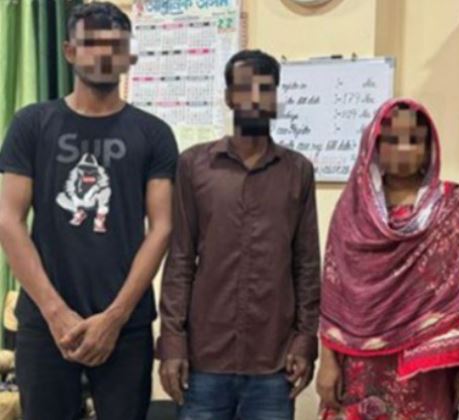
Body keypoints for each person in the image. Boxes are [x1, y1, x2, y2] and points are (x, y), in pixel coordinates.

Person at [0, 2, 178, 419]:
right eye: (92, 43)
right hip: (45, 322)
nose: (103, 54)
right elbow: (8, 220)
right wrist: (55, 312)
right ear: (69, 51)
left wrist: (115, 317)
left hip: (126, 325)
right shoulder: (31, 124)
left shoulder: (154, 133)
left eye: (115, 45)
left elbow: (162, 228)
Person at [157, 49, 321, 420]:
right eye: (245, 88)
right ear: (230, 97)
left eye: (266, 89)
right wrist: (172, 343)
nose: (255, 98)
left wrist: (305, 339)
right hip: (204, 358)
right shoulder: (195, 165)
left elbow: (307, 264)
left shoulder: (297, 171)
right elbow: (180, 259)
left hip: (274, 360)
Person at [316, 98, 459, 419]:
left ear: (428, 149)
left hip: (426, 368)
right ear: (374, 145)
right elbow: (334, 292)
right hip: (360, 363)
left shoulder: (452, 208)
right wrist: (328, 362)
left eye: (414, 140)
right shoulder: (353, 211)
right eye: (391, 139)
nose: (403, 149)